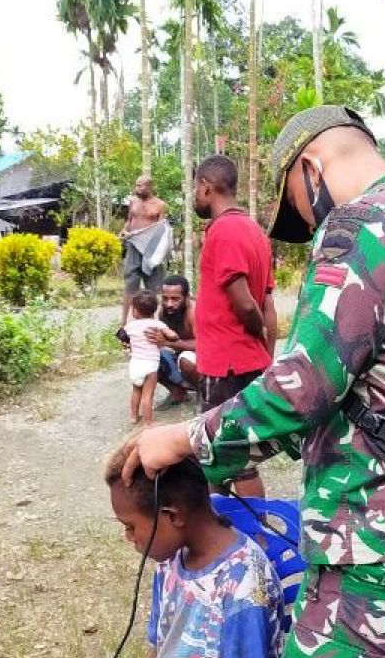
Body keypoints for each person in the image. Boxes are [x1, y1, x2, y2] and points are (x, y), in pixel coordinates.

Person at [122, 105, 385, 658]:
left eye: (299, 202)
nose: (312, 225)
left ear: (312, 168)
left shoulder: (368, 223)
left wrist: (183, 439)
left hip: (374, 548)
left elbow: (303, 388)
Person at [40, 453, 285, 658]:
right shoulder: (172, 558)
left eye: (130, 526)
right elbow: (158, 654)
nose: (128, 537)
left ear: (171, 516)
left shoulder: (244, 588)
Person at [190, 154, 278, 498]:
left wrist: (254, 332)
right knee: (216, 454)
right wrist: (265, 354)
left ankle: (253, 537)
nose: (195, 196)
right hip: (243, 360)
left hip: (225, 364)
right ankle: (219, 527)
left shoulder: (224, 230)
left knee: (235, 458)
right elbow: (268, 303)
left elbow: (246, 303)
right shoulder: (255, 231)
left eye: (196, 189)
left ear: (206, 186)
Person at [119, 290, 178, 427]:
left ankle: (134, 417)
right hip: (150, 365)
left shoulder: (130, 326)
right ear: (154, 310)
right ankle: (148, 422)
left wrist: (127, 342)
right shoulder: (157, 324)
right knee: (148, 395)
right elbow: (173, 336)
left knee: (136, 391)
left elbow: (121, 336)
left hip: (135, 364)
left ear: (135, 311)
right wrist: (170, 336)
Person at [120, 176, 172, 322]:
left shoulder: (160, 205)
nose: (137, 189)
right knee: (131, 284)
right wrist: (124, 231)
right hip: (134, 246)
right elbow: (129, 222)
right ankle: (124, 322)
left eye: (141, 186)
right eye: (136, 186)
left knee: (155, 287)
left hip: (151, 251)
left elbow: (163, 229)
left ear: (149, 187)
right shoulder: (133, 203)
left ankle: (158, 322)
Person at [150, 274, 199, 408]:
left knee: (186, 361)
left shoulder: (194, 313)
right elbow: (157, 337)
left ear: (186, 297)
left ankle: (205, 394)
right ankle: (177, 393)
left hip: (203, 360)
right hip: (180, 354)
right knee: (148, 357)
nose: (169, 304)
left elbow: (204, 345)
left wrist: (169, 343)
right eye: (165, 298)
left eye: (175, 299)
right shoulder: (163, 312)